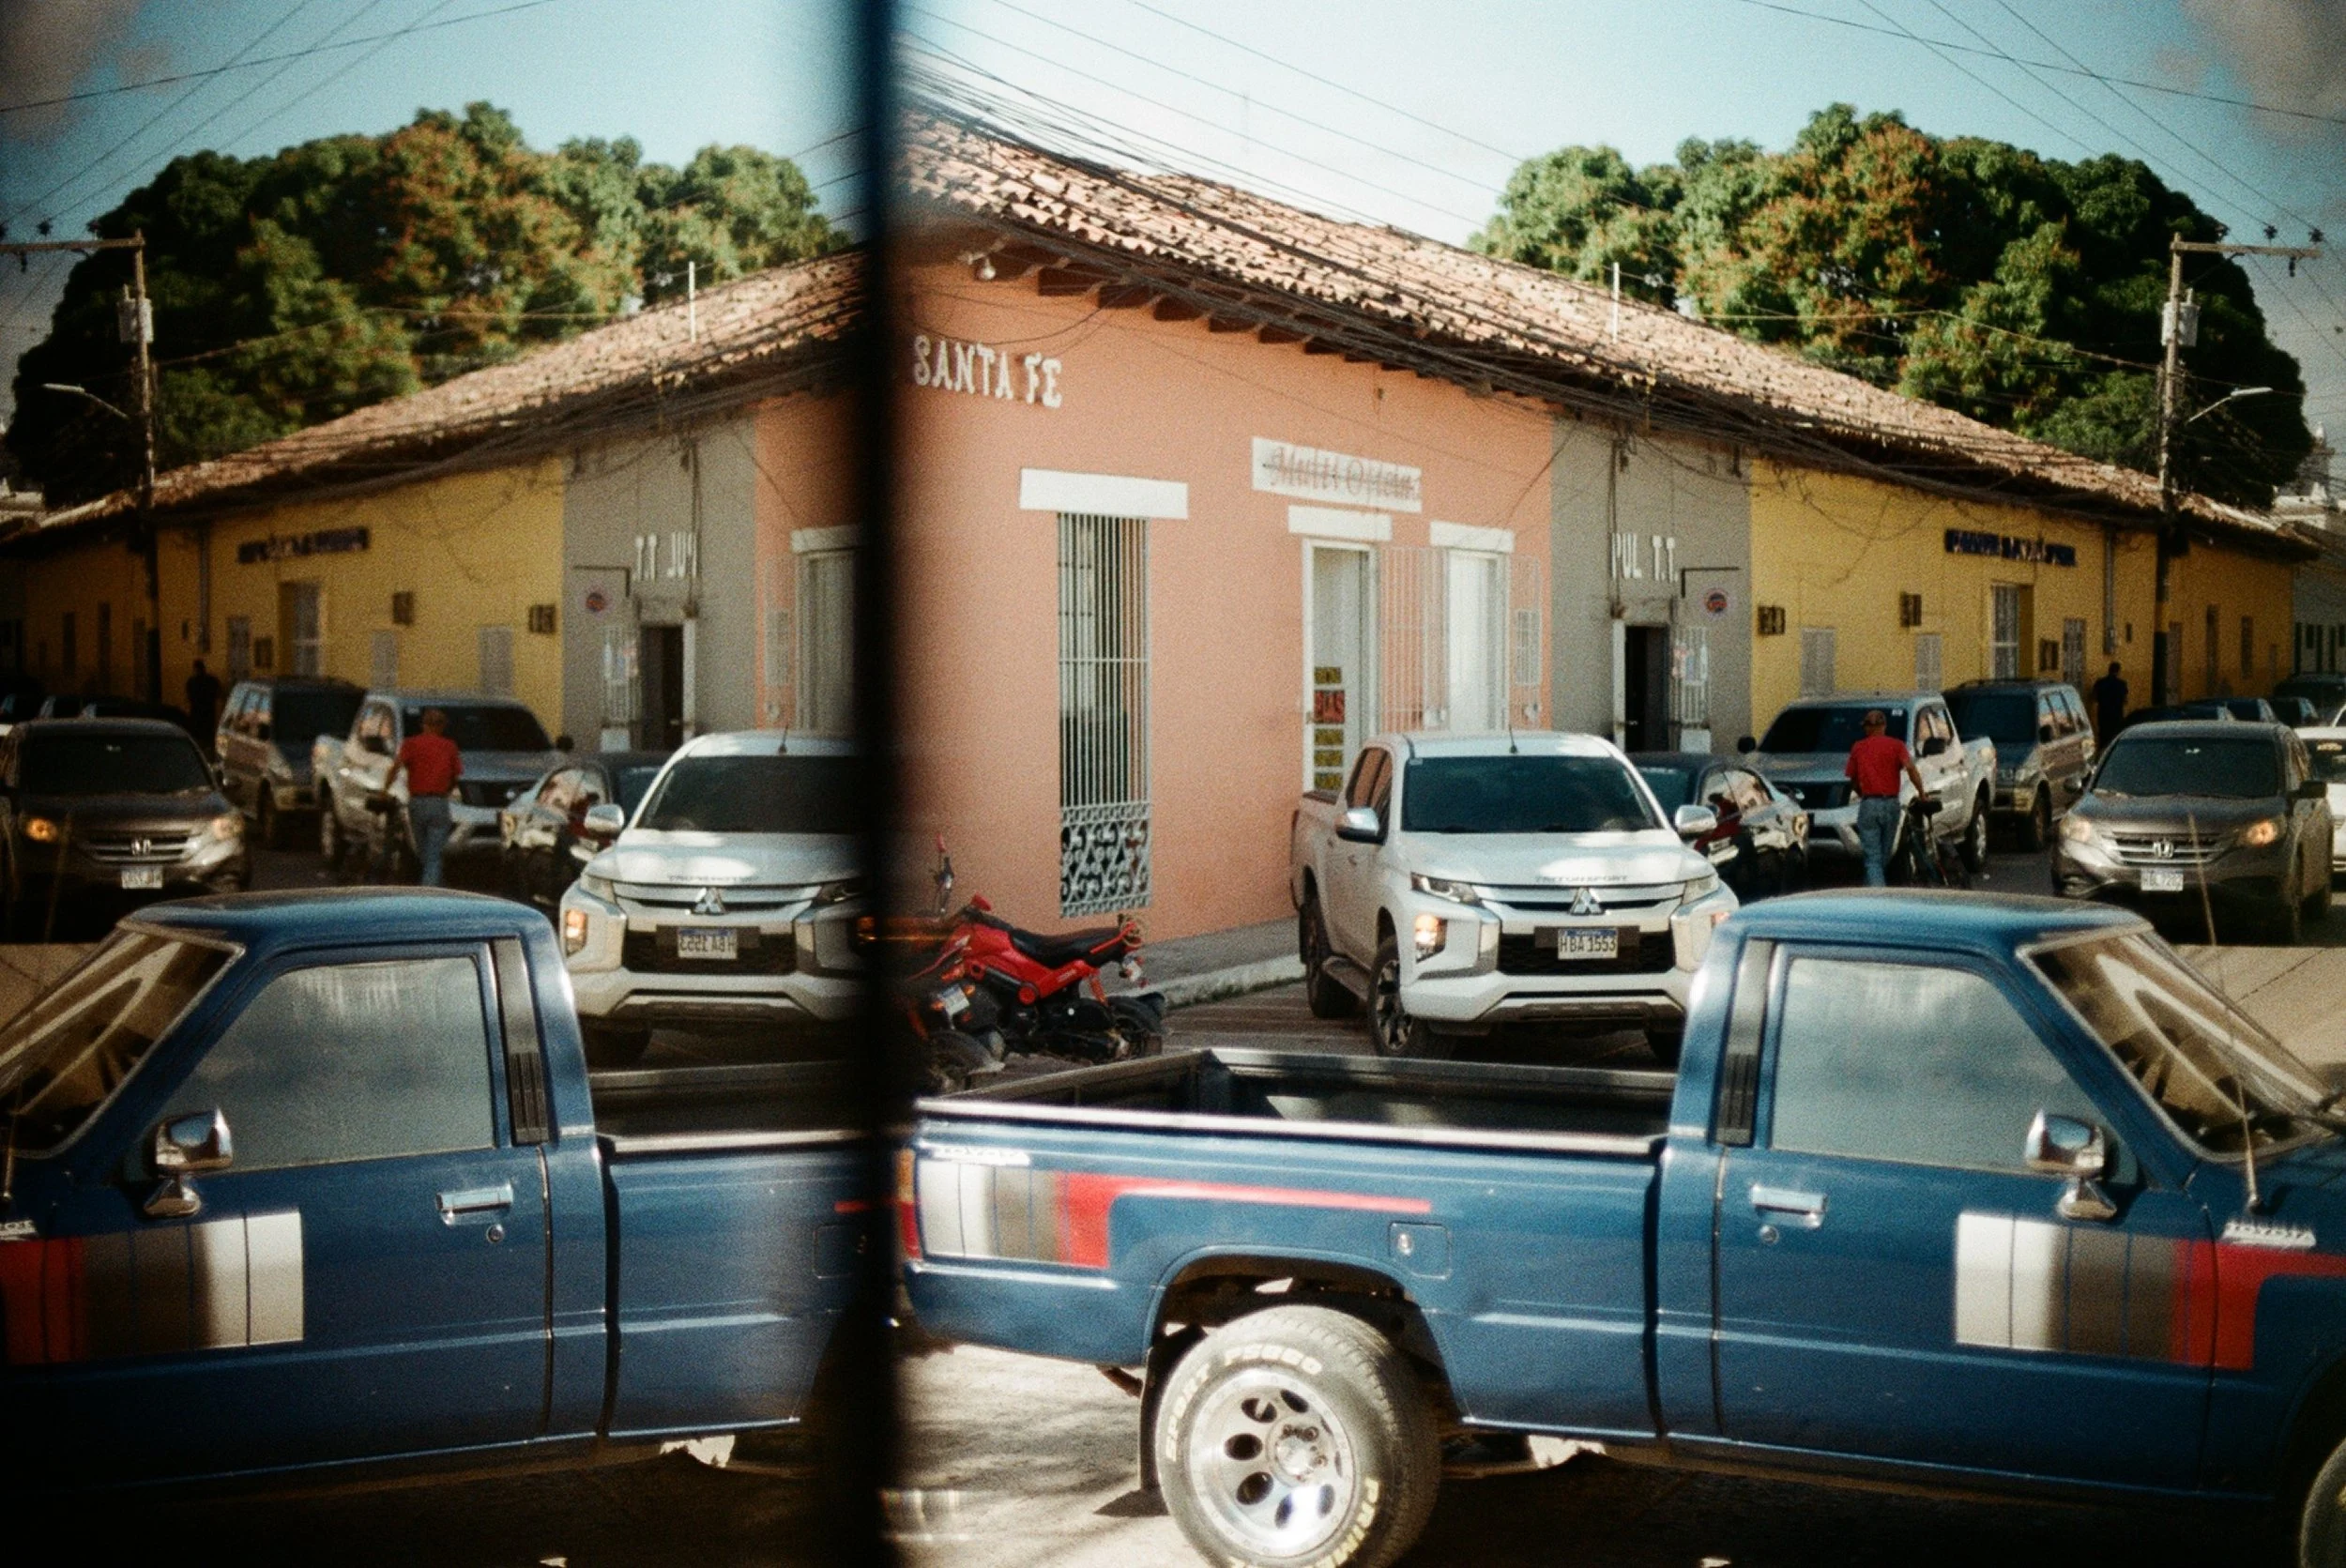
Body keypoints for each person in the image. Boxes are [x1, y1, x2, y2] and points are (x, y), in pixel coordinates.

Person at [1845, 708, 1929, 888]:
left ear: (1868, 728)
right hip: (1891, 804)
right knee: (1884, 854)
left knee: (1873, 858)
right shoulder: (1897, 746)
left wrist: (1862, 794)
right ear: (1884, 726)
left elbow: (1852, 780)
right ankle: (1872, 893)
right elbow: (1911, 770)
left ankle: (1875, 896)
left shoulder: (1858, 747)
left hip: (1869, 804)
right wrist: (1922, 793)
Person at [385, 708, 462, 886]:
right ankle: (434, 888)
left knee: (423, 851)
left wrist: (385, 790)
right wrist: (446, 791)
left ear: (423, 725)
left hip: (417, 802)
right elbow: (455, 776)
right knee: (434, 853)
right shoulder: (449, 746)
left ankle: (432, 890)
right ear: (442, 726)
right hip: (439, 802)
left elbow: (395, 768)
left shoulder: (411, 744)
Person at [184, 659, 222, 750]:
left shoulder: (191, 681)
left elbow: (189, 697)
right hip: (208, 712)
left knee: (197, 734)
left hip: (196, 712)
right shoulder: (212, 680)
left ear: (195, 669)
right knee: (208, 734)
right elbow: (219, 693)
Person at [2091, 660, 2128, 741]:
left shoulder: (2100, 682)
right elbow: (2125, 701)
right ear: (2118, 671)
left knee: (2103, 736)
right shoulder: (2122, 684)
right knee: (2115, 737)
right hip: (2117, 715)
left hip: (2103, 714)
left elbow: (2094, 698)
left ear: (2109, 670)